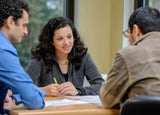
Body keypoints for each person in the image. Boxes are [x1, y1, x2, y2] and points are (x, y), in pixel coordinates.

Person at [26, 17, 104, 96]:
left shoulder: (83, 57)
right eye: (60, 39)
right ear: (51, 41)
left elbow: (102, 86)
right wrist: (42, 90)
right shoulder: (40, 59)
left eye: (69, 37)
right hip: (49, 107)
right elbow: (22, 87)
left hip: (76, 108)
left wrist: (78, 91)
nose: (66, 42)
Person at [99, 6, 160, 109]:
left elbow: (107, 99)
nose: (128, 40)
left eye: (128, 33)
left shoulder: (129, 54)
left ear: (135, 30)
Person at [0, 0, 45, 114]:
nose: (26, 32)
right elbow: (34, 100)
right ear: (10, 22)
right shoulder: (3, 50)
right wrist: (39, 92)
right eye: (24, 25)